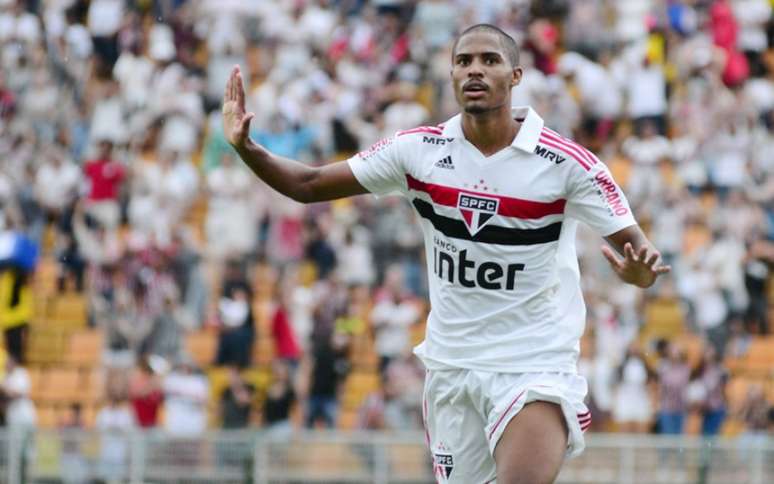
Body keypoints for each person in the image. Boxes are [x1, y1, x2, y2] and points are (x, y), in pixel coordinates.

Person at [223, 23, 671, 484]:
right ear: (451, 74)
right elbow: (308, 184)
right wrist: (246, 147)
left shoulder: (566, 163)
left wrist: (638, 274)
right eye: (464, 61)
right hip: (452, 367)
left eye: (490, 61)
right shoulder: (417, 151)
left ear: (515, 76)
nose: (475, 70)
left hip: (533, 363)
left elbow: (642, 257)